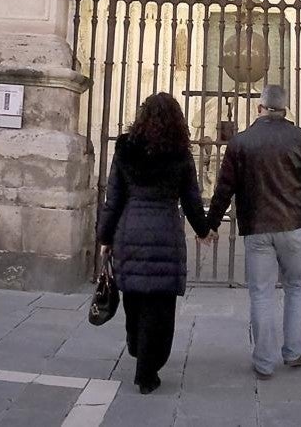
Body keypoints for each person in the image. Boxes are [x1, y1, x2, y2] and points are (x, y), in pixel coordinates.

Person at [96, 93, 213, 394]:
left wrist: (105, 237)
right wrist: (203, 230)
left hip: (131, 231)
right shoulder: (180, 153)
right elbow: (191, 200)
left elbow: (113, 198)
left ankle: (137, 345)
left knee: (134, 298)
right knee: (161, 307)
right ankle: (148, 370)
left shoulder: (125, 148)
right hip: (165, 233)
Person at [207, 84, 301, 379]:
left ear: (259, 108)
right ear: (285, 110)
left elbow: (224, 188)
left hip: (257, 227)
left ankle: (263, 362)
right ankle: (293, 352)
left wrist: (211, 223)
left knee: (261, 293)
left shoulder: (241, 142)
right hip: (293, 224)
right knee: (295, 287)